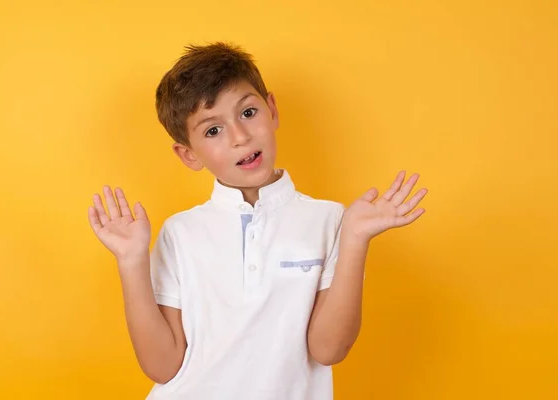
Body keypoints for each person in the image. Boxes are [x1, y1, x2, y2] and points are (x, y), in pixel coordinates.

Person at [88, 42, 428, 400]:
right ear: (188, 154)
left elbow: (329, 350)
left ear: (272, 110)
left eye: (248, 113)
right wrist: (130, 261)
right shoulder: (180, 233)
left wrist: (356, 238)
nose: (240, 136)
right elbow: (162, 366)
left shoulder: (331, 220)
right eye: (213, 131)